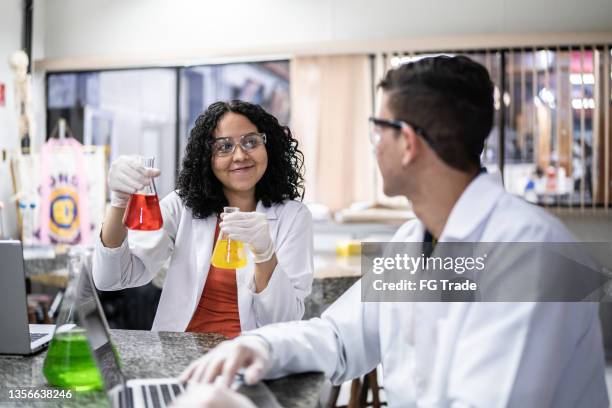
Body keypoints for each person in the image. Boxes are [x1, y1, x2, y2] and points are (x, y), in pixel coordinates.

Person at [177, 56, 609, 407]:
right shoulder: (413, 239)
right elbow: (339, 338)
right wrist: (263, 348)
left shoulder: (533, 255)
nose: (372, 145)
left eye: (376, 130)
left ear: (407, 142)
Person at [92, 100, 313, 337]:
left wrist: (265, 254)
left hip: (251, 356)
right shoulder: (182, 206)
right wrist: (119, 203)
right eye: (224, 147)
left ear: (268, 146)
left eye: (251, 142)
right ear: (207, 156)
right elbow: (112, 278)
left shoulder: (293, 217)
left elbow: (285, 320)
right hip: (179, 353)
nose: (240, 155)